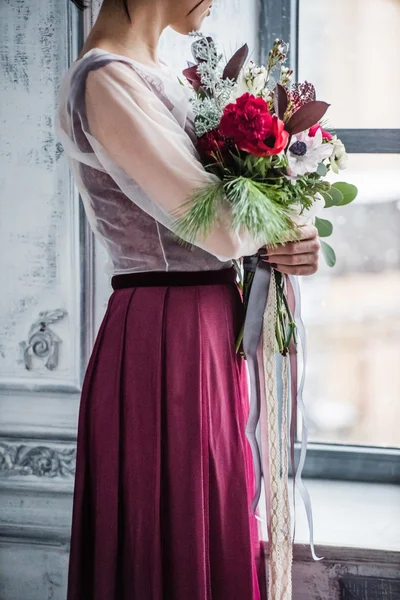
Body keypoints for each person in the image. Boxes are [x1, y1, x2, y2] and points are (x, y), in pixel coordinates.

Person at [56, 1, 321, 598]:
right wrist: (290, 224)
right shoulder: (106, 79)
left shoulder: (163, 74)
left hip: (205, 321)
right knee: (168, 533)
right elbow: (222, 228)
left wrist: (288, 232)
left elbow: (229, 221)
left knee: (209, 514)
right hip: (165, 335)